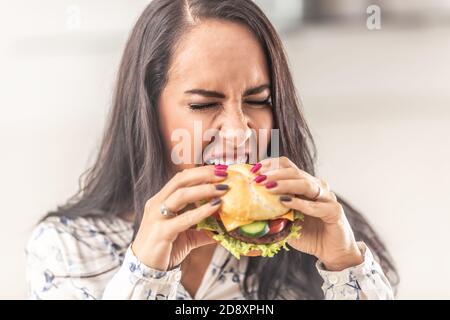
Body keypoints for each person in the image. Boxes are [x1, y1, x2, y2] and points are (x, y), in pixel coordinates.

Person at [26, 0, 398, 300]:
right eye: (204, 105)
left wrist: (345, 267)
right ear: (148, 112)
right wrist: (145, 273)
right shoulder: (68, 249)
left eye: (258, 100)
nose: (239, 132)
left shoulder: (329, 232)